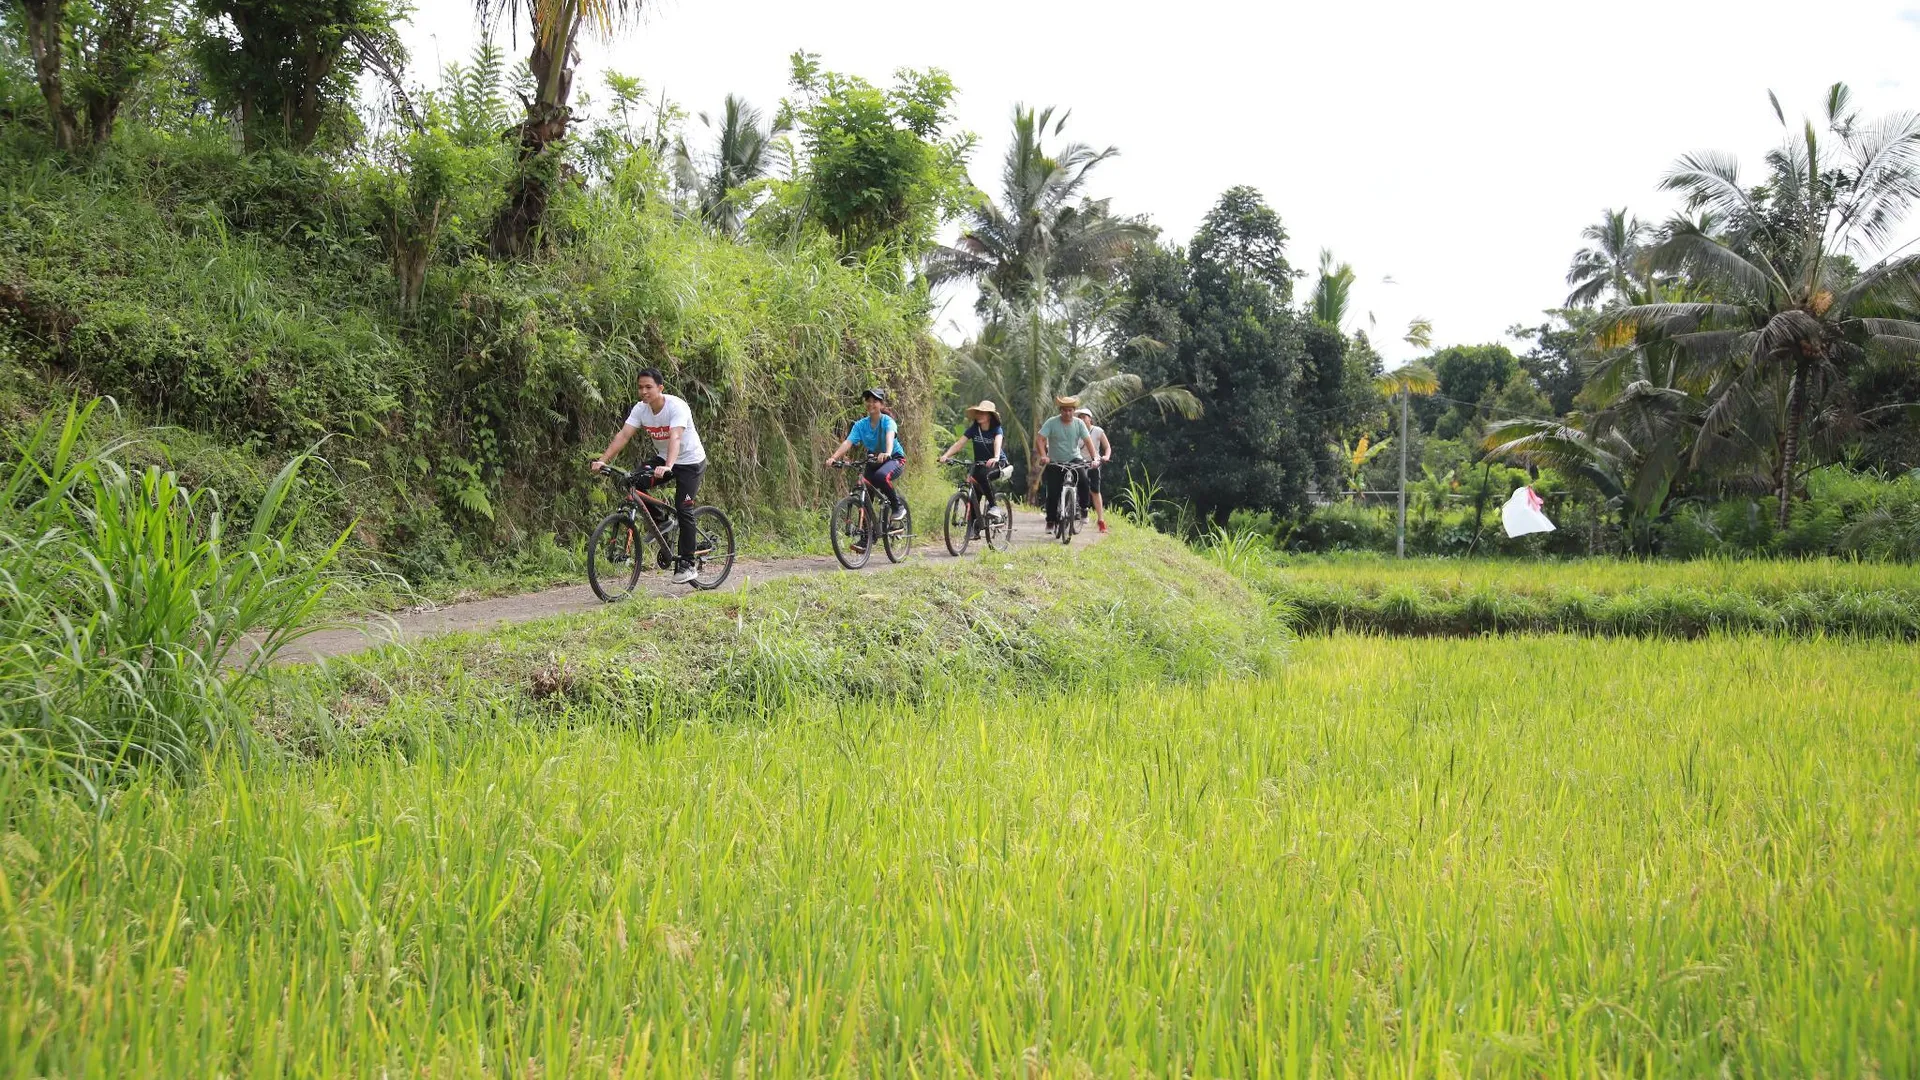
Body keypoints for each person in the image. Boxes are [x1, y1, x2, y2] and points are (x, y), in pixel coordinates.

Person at [592, 366, 709, 584]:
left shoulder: (676, 407)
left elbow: (675, 437)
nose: (644, 392)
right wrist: (603, 460)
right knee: (632, 481)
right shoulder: (641, 409)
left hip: (690, 462)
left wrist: (669, 466)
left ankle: (687, 563)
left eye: (648, 387)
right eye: (640, 387)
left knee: (684, 508)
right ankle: (661, 521)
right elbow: (624, 435)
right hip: (664, 458)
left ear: (660, 388)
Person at [825, 388, 906, 549]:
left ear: (881, 404)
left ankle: (898, 507)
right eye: (868, 401)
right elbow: (848, 442)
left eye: (875, 401)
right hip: (873, 460)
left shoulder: (887, 422)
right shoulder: (860, 425)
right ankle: (867, 537)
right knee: (866, 494)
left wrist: (887, 452)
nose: (871, 404)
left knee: (881, 476)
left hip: (894, 458)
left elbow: (890, 437)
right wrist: (834, 458)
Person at [937, 399, 1010, 538]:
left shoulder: (996, 429)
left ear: (990, 416)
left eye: (983, 413)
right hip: (979, 464)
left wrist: (995, 457)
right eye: (978, 412)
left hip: (997, 463)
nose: (980, 415)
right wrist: (946, 455)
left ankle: (994, 506)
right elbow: (959, 444)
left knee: (983, 476)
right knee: (974, 493)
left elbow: (998, 442)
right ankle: (974, 528)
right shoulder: (974, 429)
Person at [1035, 395, 1096, 531]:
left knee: (1084, 479)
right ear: (1060, 410)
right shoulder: (1052, 422)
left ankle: (1084, 508)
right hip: (1055, 460)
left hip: (1074, 458)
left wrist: (1095, 458)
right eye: (1064, 410)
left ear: (1074, 411)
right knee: (1053, 492)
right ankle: (1051, 520)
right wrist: (1044, 456)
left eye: (1070, 410)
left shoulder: (1079, 423)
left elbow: (1088, 441)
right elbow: (1040, 439)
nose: (1067, 413)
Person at [1074, 406, 1113, 533]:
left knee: (1095, 491)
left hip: (1093, 463)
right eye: (1079, 417)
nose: (1081, 419)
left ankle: (1101, 520)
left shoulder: (1098, 431)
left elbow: (1107, 447)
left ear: (1090, 419)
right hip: (1078, 462)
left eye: (1084, 417)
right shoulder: (1075, 431)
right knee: (1072, 484)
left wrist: (1106, 457)